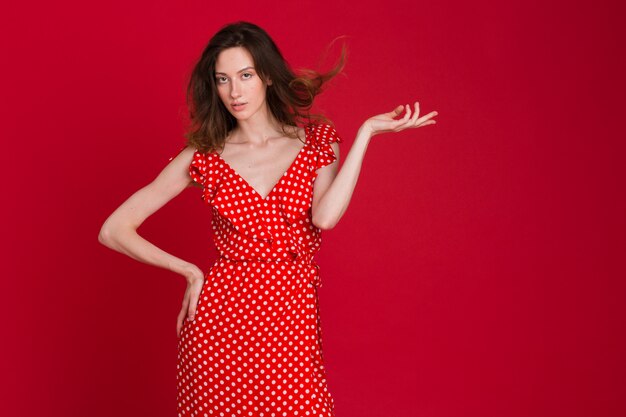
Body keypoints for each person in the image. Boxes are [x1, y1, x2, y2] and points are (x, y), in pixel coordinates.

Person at [98, 21, 437, 417]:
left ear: (268, 78)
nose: (235, 91)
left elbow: (325, 218)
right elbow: (113, 229)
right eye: (223, 79)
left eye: (245, 75)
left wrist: (366, 133)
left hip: (290, 322)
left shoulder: (316, 141)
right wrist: (189, 271)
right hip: (218, 329)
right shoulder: (204, 156)